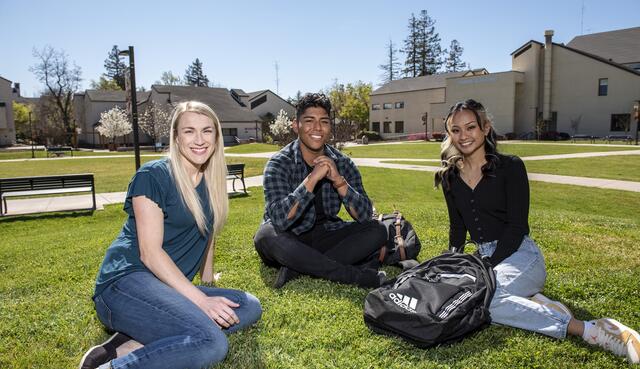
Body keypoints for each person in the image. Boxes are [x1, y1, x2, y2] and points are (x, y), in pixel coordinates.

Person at [434, 99, 639, 363]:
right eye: (456, 130)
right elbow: (457, 228)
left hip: (520, 254)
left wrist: (486, 265)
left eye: (470, 127)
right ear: (449, 134)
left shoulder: (511, 167)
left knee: (487, 301)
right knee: (466, 298)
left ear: (485, 128)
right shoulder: (450, 176)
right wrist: (452, 261)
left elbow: (517, 228)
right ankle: (540, 304)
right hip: (482, 259)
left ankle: (593, 330)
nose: (463, 136)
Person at [80, 101, 262, 369]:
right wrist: (201, 300)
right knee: (211, 343)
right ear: (176, 138)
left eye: (207, 131)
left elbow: (207, 233)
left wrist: (208, 280)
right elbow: (150, 254)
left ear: (216, 136)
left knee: (248, 305)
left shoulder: (211, 180)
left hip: (168, 287)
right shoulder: (152, 176)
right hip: (125, 283)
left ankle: (130, 342)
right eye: (189, 131)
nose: (199, 140)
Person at [253, 93, 387, 289]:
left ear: (329, 127)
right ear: (295, 125)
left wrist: (339, 181)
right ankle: (353, 276)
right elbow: (280, 220)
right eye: (309, 121)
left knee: (378, 230)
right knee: (266, 235)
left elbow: (365, 215)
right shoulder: (279, 163)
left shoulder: (342, 163)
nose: (317, 128)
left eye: (323, 121)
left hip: (326, 235)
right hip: (289, 238)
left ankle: (299, 268)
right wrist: (312, 178)